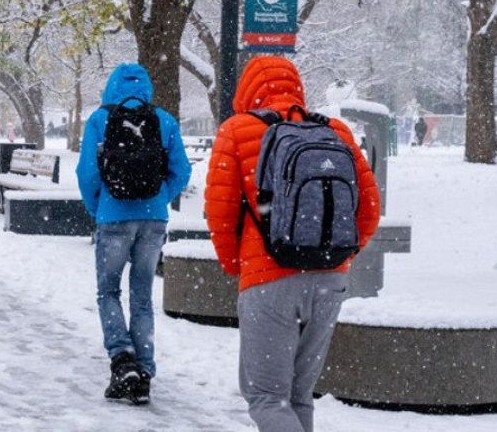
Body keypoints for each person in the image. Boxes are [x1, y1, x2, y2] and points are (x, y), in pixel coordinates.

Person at [204, 56, 380, 432]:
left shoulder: (236, 130)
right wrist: (339, 257)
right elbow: (369, 209)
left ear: (247, 90)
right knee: (299, 396)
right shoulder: (335, 130)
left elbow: (220, 213)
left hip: (267, 280)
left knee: (267, 397)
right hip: (330, 278)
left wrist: (237, 265)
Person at [76, 63, 192, 405]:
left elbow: (87, 172)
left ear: (112, 86)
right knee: (141, 296)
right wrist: (159, 199)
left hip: (113, 217)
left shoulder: (100, 120)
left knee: (108, 291)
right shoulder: (164, 120)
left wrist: (99, 207)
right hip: (153, 220)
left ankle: (122, 358)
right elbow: (181, 171)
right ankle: (143, 371)